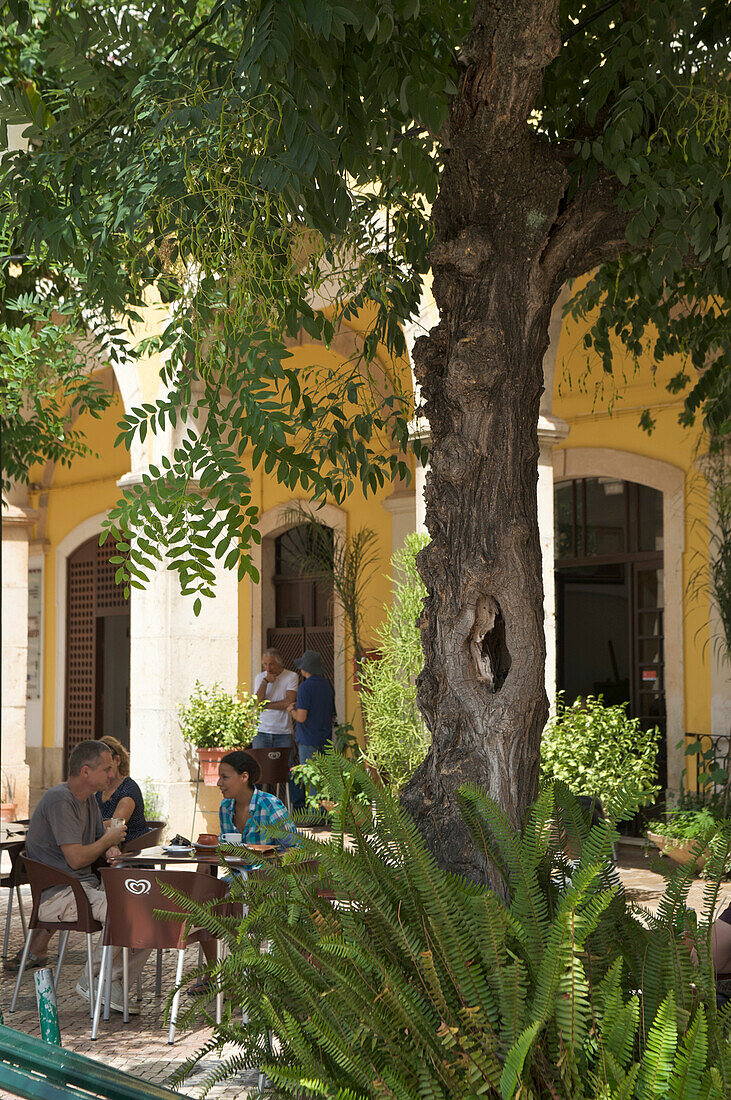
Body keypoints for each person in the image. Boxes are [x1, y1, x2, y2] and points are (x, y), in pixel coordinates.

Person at [4, 740, 150, 1013]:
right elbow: (77, 858)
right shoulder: (61, 799)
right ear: (86, 771)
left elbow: (96, 843)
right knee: (127, 909)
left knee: (149, 911)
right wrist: (107, 839)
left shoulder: (88, 801)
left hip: (83, 889)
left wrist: (111, 847)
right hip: (58, 894)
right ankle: (92, 978)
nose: (112, 774)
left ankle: (110, 980)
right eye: (106, 769)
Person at [188, 750, 295, 995]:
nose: (218, 783)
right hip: (237, 880)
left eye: (225, 777)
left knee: (227, 900)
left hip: (268, 883)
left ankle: (244, 973)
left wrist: (267, 860)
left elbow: (297, 849)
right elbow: (229, 851)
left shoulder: (270, 805)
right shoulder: (226, 808)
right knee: (202, 901)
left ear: (244, 777)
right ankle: (215, 971)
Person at [287, 650, 335, 810]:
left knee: (311, 780)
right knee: (325, 780)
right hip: (326, 738)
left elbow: (301, 717)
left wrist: (291, 710)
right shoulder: (327, 685)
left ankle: (314, 815)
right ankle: (325, 813)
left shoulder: (305, 687)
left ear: (305, 668)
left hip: (308, 740)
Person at [95, 734, 148, 842]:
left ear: (117, 760)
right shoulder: (102, 789)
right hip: (107, 843)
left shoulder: (128, 789)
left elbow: (116, 824)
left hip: (130, 847)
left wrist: (86, 828)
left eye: (107, 767)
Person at [252, 648, 298, 749]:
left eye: (271, 664)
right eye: (265, 664)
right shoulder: (260, 677)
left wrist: (266, 705)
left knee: (284, 764)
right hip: (261, 732)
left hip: (283, 732)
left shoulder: (291, 676)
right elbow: (257, 702)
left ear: (279, 663)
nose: (268, 668)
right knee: (260, 764)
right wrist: (265, 682)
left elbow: (289, 701)